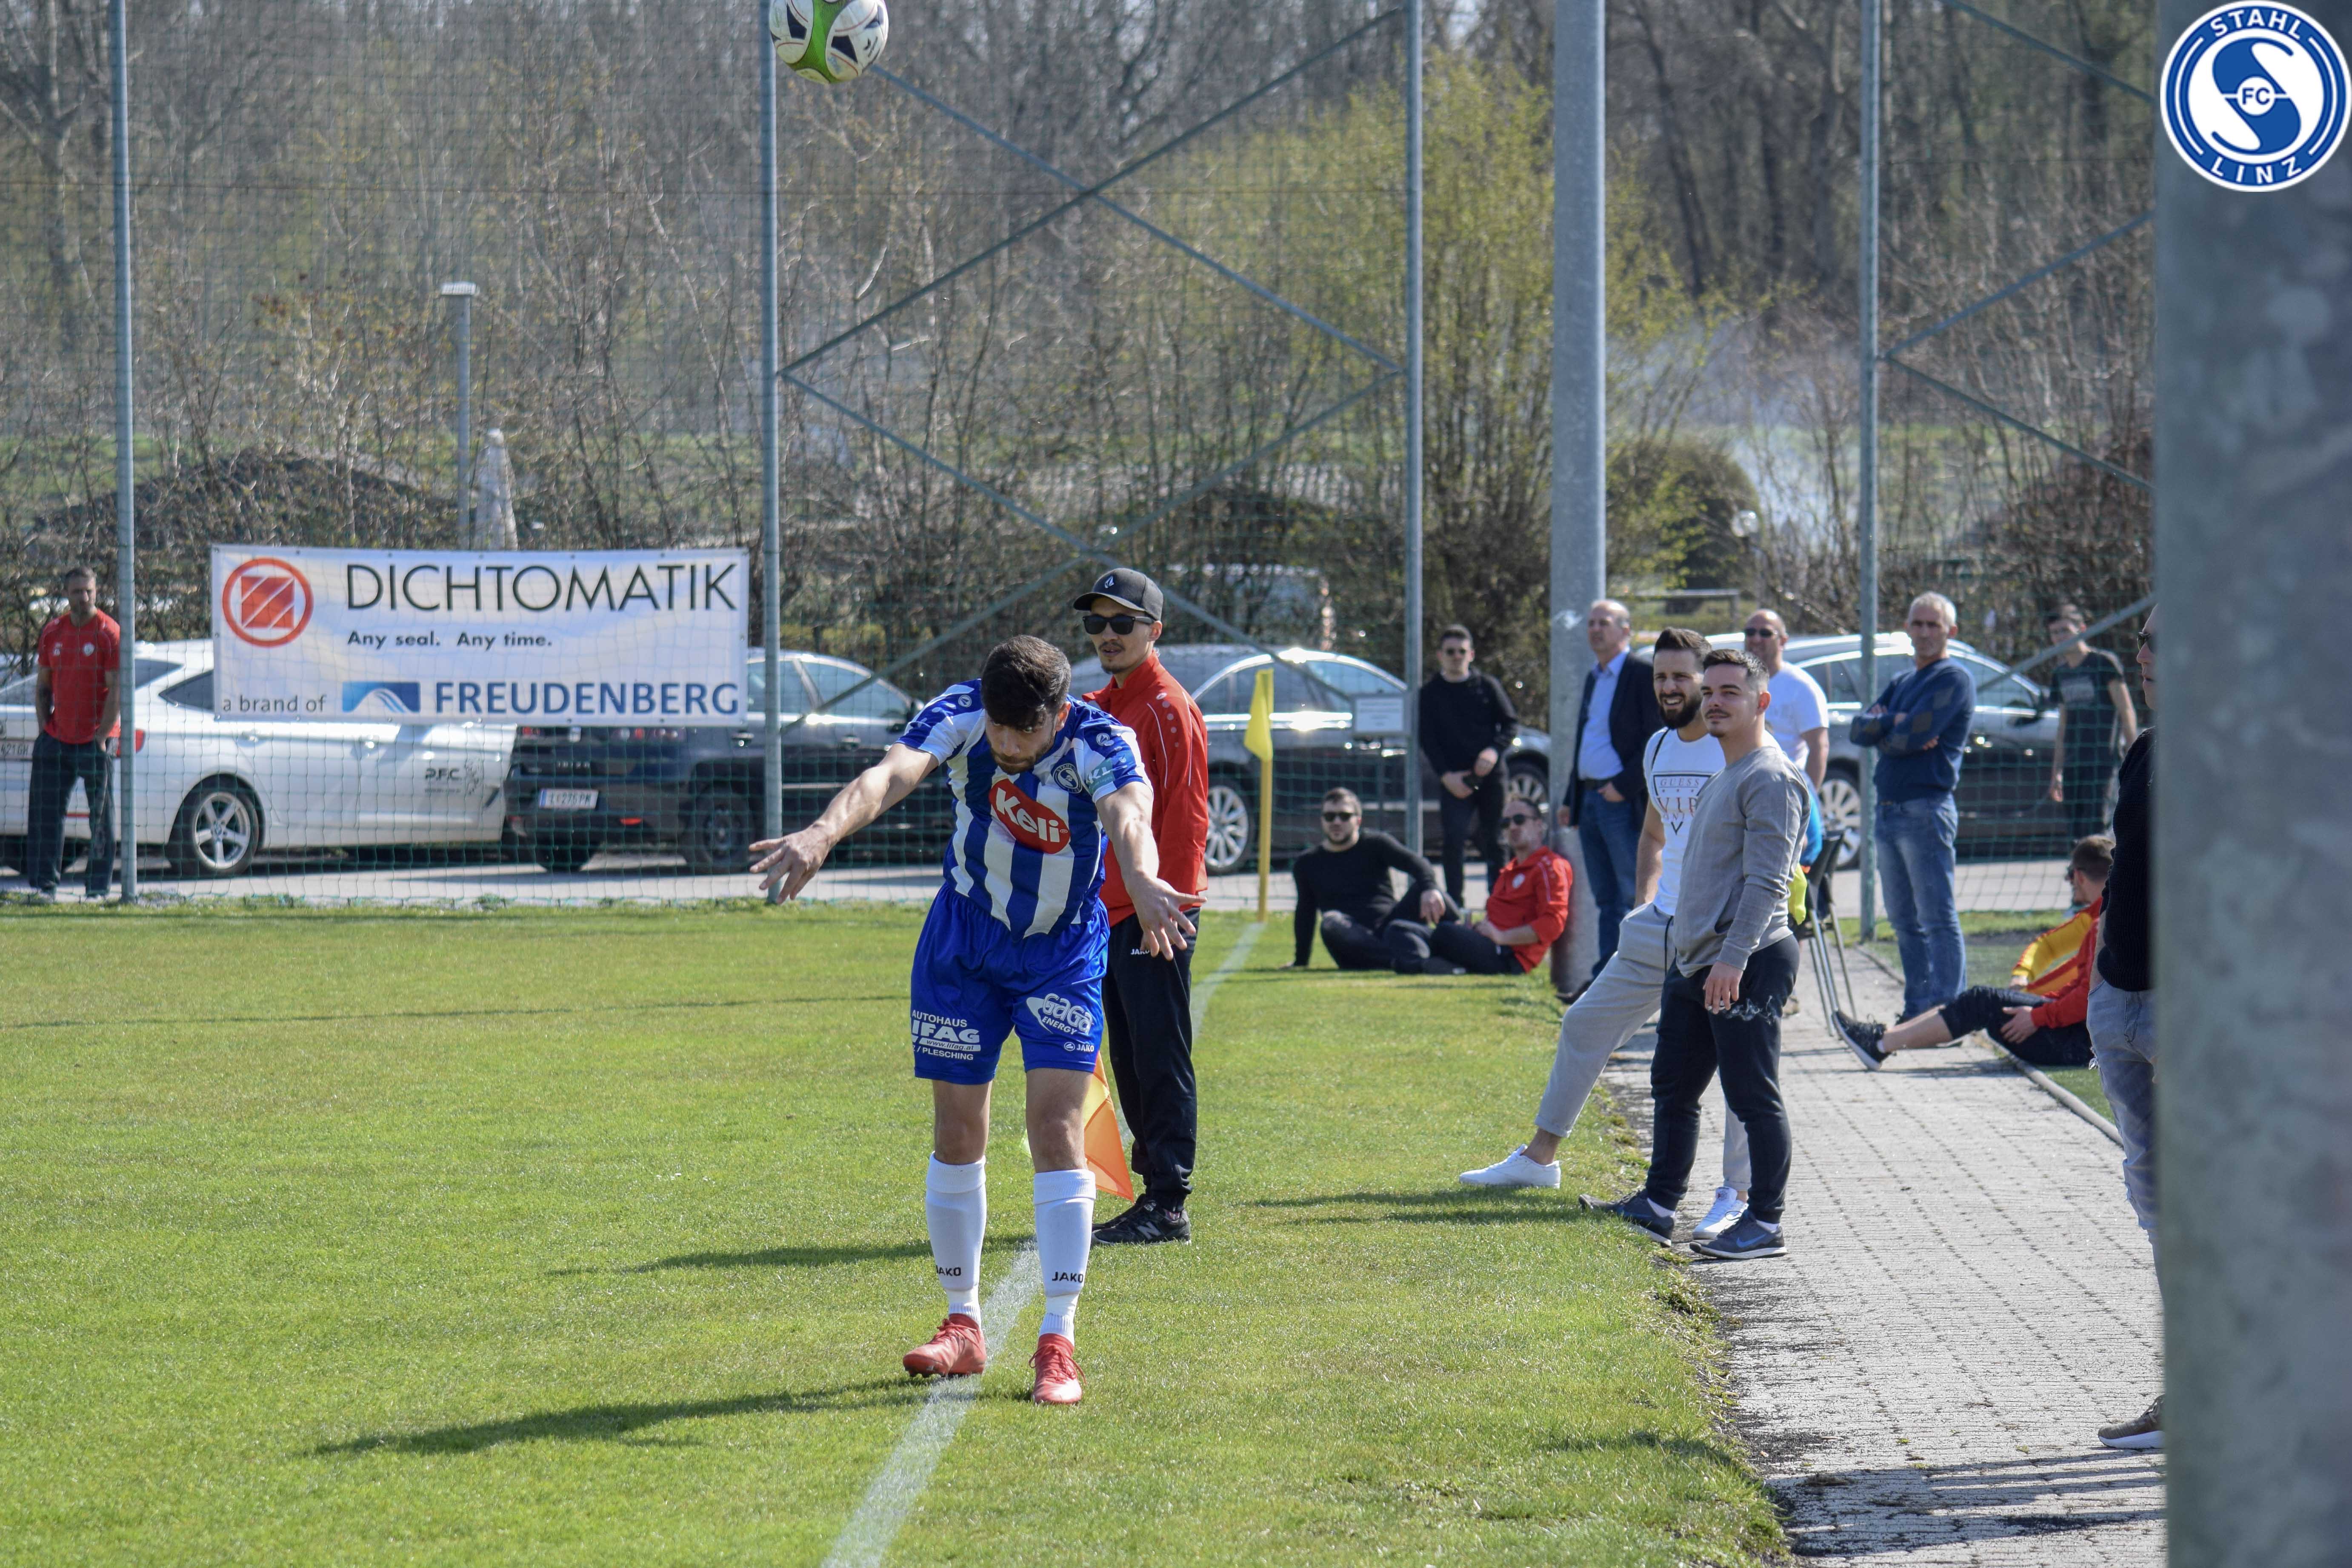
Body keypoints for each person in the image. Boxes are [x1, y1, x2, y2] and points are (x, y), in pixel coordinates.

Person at [751, 635, 1200, 1408]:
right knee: (958, 1132)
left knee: (1056, 1127)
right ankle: (962, 1323)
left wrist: (1144, 879)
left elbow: (1129, 816)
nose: (1006, 744)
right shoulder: (962, 712)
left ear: (1058, 713)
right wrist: (823, 831)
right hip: (962, 945)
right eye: (997, 728)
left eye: (1023, 731)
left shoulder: (1101, 741)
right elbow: (890, 775)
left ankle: (1057, 1340)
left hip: (1060, 951)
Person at [1458, 628, 1757, 1244]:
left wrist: (1742, 939)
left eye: (1682, 677)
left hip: (1719, 935)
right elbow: (1653, 833)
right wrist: (1642, 903)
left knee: (1737, 1066)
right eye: (1661, 677)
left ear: (1707, 683)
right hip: (1659, 925)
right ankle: (1539, 1160)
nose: (1669, 688)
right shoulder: (1657, 746)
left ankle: (1737, 1196)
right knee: (1583, 1024)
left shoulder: (1737, 747)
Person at [1582, 649, 1806, 1261]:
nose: (1714, 702)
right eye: (1709, 691)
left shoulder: (1770, 777)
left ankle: (1764, 1223)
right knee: (1672, 1086)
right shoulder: (1725, 774)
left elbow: (1767, 882)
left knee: (1751, 1093)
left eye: (1730, 692)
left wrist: (1732, 959)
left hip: (1746, 959)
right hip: (1696, 958)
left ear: (1761, 702)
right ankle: (1657, 1206)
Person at [1074, 569, 1211, 1246]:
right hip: (1111, 911)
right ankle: (1152, 1185)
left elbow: (1186, 817)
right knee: (1128, 1057)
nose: (1107, 635)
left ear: (1154, 630)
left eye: (1122, 623)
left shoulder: (1165, 705)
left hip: (1153, 912)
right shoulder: (1102, 704)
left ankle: (1169, 1203)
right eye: (1096, 623)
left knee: (1158, 1055)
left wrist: (1167, 905)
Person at [1833, 835, 2112, 1069]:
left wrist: (2038, 1016)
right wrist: (2034, 994)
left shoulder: (2104, 922)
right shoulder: (2099, 915)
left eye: (2069, 876)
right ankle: (1882, 1039)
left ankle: (1880, 1043)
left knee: (1981, 1002)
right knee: (1981, 999)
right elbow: (2068, 970)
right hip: (2088, 1038)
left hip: (2084, 1046)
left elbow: (2090, 999)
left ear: (2078, 876)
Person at [2089, 605, 2159, 1452]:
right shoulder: (2145, 749)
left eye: (2158, 642)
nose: (2140, 654)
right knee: (2157, 1198)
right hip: (2121, 999)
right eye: (2140, 639)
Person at [1850, 592, 1975, 1018]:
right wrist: (1894, 724)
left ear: (1950, 631)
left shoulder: (1953, 679)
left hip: (1925, 809)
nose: (1923, 632)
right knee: (1903, 921)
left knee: (1936, 917)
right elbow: (1859, 730)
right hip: (1887, 810)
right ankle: (1918, 1011)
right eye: (1917, 623)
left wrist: (1888, 732)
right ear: (1906, 627)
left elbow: (1908, 737)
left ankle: (1948, 1015)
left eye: (1932, 625)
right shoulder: (1903, 682)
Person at [1561, 599, 1663, 982]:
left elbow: (1655, 737)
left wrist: (1623, 786)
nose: (1595, 630)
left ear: (1626, 630)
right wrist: (1571, 798)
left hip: (1620, 801)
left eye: (1604, 623)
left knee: (1629, 893)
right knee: (1604, 897)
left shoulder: (1640, 673)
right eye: (1591, 623)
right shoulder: (1594, 676)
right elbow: (1587, 739)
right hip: (1590, 799)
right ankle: (1605, 977)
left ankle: (1634, 977)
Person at [1383, 795, 1569, 976]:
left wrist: (1501, 937)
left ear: (1539, 825)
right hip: (1486, 943)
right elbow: (1499, 917)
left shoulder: (1549, 866)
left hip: (1509, 954)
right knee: (1398, 929)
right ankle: (1428, 965)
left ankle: (1424, 962)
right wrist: (1475, 929)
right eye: (1506, 823)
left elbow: (1553, 924)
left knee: (1445, 932)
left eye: (1519, 820)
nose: (1512, 827)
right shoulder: (1510, 870)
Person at [25, 566, 122, 903]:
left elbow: (116, 691)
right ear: (66, 594)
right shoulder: (53, 632)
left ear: (96, 592)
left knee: (101, 819)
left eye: (89, 591)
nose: (84, 597)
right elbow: (43, 686)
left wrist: (102, 736)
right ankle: (44, 888)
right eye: (77, 591)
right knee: (46, 817)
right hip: (57, 740)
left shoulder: (109, 632)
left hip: (95, 742)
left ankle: (97, 890)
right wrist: (45, 731)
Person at [1283, 787, 1448, 970]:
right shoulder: (1307, 863)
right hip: (1352, 941)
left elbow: (1418, 864)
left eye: (1344, 816)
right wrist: (1301, 961)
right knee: (1331, 922)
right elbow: (1305, 911)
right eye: (1330, 817)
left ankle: (1462, 942)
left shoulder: (1376, 844)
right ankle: (1405, 959)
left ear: (1358, 821)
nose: (1337, 822)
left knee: (1428, 890)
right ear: (1322, 820)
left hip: (1392, 929)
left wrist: (1429, 888)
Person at [1417, 623, 1518, 907]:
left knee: (1495, 841)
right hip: (1454, 779)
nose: (1456, 657)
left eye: (1462, 652)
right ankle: (1455, 906)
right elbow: (1427, 739)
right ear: (1440, 655)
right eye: (1450, 652)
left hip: (1490, 777)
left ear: (1471, 655)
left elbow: (1510, 724)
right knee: (1454, 840)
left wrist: (1493, 751)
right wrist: (1445, 776)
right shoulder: (1430, 693)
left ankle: (1499, 905)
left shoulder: (1487, 686)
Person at [2044, 603, 2138, 842]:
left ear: (2082, 629)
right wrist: (2056, 773)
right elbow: (2063, 726)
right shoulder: (2060, 674)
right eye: (2055, 632)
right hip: (2073, 764)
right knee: (2077, 834)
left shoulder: (2104, 663)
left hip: (2103, 762)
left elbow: (2126, 709)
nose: (2060, 637)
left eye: (2065, 630)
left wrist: (2134, 756)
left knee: (2098, 830)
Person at [1743, 609, 1828, 791]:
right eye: (1750, 632)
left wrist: (1808, 797)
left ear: (1783, 641)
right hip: (1741, 785)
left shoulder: (1801, 686)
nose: (1756, 639)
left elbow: (1819, 747)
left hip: (1783, 789)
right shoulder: (1735, 682)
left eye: (1765, 633)